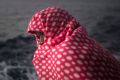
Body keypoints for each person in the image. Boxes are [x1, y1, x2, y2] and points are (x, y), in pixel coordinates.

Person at [27, 7, 120, 80]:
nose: (38, 40)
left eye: (41, 34)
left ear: (55, 29)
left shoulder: (65, 55)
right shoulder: (85, 43)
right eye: (36, 35)